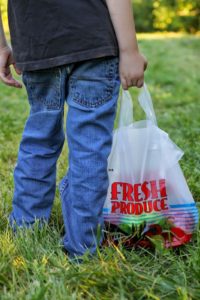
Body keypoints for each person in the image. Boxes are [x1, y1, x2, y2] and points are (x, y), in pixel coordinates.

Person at [0, 0, 147, 261]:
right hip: (94, 44)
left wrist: (1, 45)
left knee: (39, 142)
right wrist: (130, 49)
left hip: (36, 46)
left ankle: (25, 232)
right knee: (89, 150)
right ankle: (83, 247)